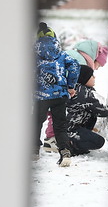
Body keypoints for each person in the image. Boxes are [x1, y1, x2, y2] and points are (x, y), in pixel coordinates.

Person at [43, 39, 108, 152]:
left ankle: (53, 138)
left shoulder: (75, 55)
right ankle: (52, 139)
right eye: (98, 65)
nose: (96, 68)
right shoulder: (80, 62)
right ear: (94, 58)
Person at [34, 22, 80, 167]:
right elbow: (74, 66)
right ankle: (65, 152)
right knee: (60, 125)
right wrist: (71, 86)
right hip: (59, 95)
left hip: (40, 96)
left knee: (36, 122)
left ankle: (33, 150)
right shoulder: (61, 53)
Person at [66, 65, 108, 155]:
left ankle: (76, 145)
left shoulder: (80, 89)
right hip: (72, 131)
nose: (94, 77)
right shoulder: (81, 93)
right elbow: (101, 110)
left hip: (76, 128)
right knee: (99, 142)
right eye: (92, 76)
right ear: (84, 78)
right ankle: (70, 144)